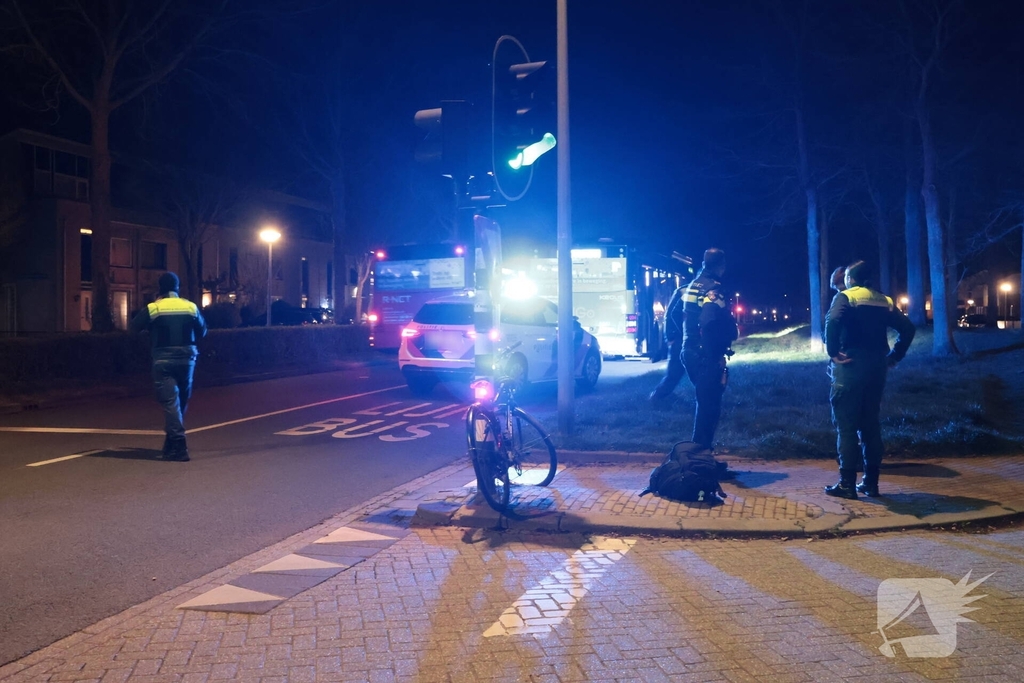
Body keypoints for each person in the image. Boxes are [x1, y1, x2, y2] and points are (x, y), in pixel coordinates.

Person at [823, 260, 915, 499]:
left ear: (850, 279)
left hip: (851, 365)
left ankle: (846, 484)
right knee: (871, 424)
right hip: (877, 367)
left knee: (846, 425)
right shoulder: (884, 300)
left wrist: (833, 352)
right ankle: (871, 483)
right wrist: (895, 356)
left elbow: (832, 322)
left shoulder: (846, 297)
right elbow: (908, 329)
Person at [130, 272, 208, 461]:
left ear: (161, 288)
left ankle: (179, 444)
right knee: (181, 400)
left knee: (170, 402)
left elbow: (133, 328)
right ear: (177, 287)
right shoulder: (190, 307)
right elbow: (203, 331)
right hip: (187, 359)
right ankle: (171, 442)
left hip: (163, 359)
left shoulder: (154, 308)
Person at [681, 248, 738, 449]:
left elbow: (674, 316)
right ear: (721, 265)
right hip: (706, 355)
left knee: (705, 405)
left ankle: (702, 458)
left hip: (689, 350)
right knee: (710, 409)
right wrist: (715, 354)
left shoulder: (692, 285)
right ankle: (700, 461)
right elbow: (708, 320)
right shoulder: (713, 288)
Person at [648, 281, 687, 406]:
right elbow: (670, 315)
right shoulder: (684, 291)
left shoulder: (683, 291)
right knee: (674, 373)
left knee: (676, 373)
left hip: (685, 339)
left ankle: (659, 397)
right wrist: (671, 337)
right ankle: (657, 397)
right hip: (681, 339)